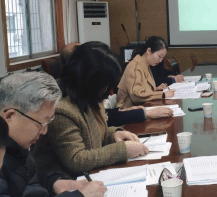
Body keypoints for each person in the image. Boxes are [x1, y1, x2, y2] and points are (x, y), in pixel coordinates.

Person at [34, 43, 156, 179]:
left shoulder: (90, 98)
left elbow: (97, 135)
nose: (109, 92)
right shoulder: (62, 110)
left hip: (94, 175)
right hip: (68, 182)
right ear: (90, 81)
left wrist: (114, 134)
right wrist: (123, 150)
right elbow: (77, 159)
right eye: (106, 86)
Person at [61, 42, 173, 125]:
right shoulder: (65, 112)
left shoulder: (86, 97)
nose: (106, 94)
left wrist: (117, 130)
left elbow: (105, 117)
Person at [117, 36, 176, 108]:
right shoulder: (135, 67)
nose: (160, 60)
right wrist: (163, 94)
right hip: (128, 109)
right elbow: (136, 96)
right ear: (149, 51)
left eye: (162, 58)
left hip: (141, 107)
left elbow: (142, 88)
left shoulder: (145, 65)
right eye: (159, 56)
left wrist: (155, 89)